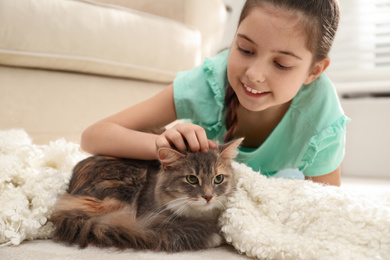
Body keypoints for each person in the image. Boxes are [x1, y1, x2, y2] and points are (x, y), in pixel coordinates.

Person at [81, 0, 349, 186]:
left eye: (282, 64)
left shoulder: (322, 119)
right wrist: (163, 145)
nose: (254, 74)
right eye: (245, 49)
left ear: (314, 71)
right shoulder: (209, 82)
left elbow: (325, 211)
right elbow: (93, 136)